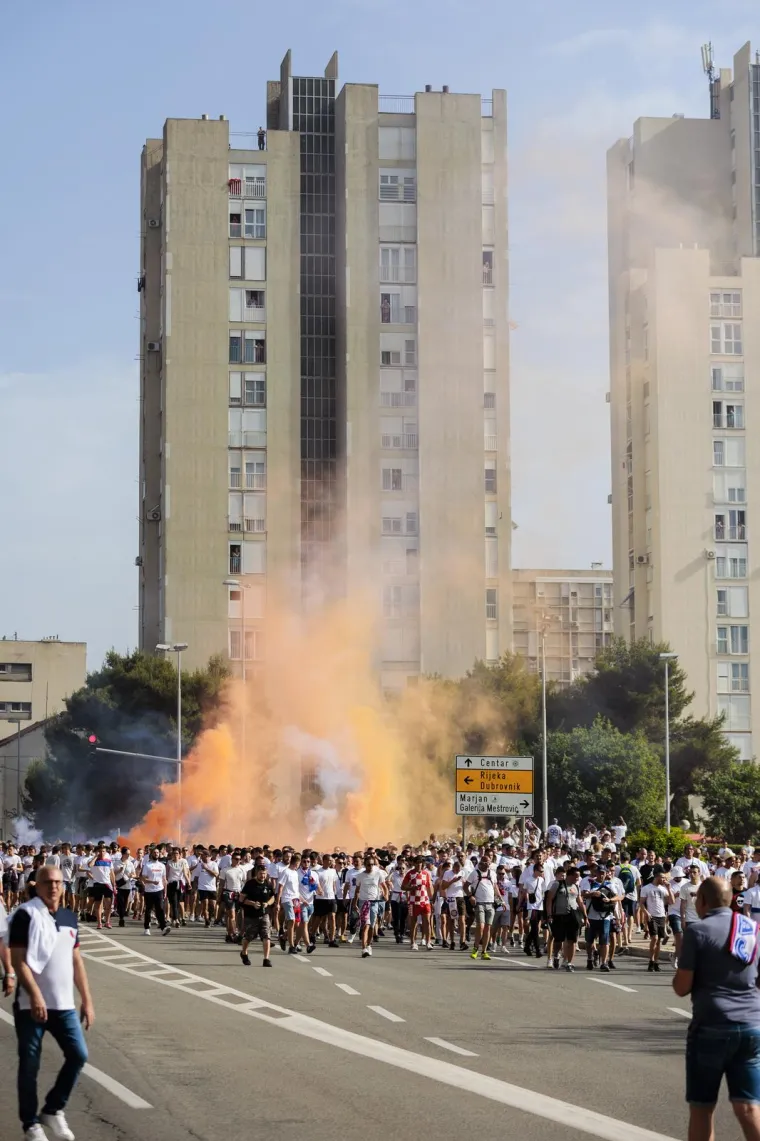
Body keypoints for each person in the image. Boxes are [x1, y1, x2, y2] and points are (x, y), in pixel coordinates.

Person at [9, 864, 94, 1141]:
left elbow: (76, 961)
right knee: (30, 1065)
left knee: (79, 1055)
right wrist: (34, 994)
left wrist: (87, 1001)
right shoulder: (26, 914)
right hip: (30, 1005)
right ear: (37, 884)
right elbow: (19, 960)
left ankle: (53, 1109)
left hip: (64, 1005)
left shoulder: (69, 917)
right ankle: (30, 1124)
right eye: (47, 882)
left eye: (58, 882)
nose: (54, 887)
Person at [674, 876, 760, 1141]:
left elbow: (682, 986)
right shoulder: (751, 928)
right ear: (731, 899)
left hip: (711, 1026)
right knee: (748, 1107)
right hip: (751, 1027)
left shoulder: (698, 931)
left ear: (701, 901)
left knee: (702, 1109)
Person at [546, 864, 586, 972]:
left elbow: (580, 902)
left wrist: (585, 916)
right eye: (576, 876)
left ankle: (569, 962)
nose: (577, 879)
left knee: (572, 940)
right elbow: (549, 900)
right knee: (558, 939)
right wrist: (549, 915)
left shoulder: (576, 887)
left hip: (572, 915)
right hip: (559, 915)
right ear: (570, 875)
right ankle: (556, 955)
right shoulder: (557, 885)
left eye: (578, 877)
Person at [238, 860, 275, 967]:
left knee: (266, 936)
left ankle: (266, 959)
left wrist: (268, 903)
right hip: (251, 915)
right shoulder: (250, 884)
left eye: (264, 874)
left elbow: (273, 897)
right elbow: (241, 899)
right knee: (249, 937)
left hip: (264, 914)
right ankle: (244, 953)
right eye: (260, 874)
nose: (263, 876)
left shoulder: (268, 884)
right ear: (256, 873)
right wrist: (252, 903)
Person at [353, 853, 388, 959]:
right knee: (365, 926)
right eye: (368, 865)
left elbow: (384, 886)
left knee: (372, 926)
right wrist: (355, 903)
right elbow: (357, 890)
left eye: (372, 864)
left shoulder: (378, 874)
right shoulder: (360, 876)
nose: (370, 867)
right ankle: (363, 949)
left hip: (374, 902)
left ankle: (369, 945)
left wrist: (386, 895)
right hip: (364, 902)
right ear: (365, 865)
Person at [640, 868, 674, 973]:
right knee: (654, 938)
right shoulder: (646, 888)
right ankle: (651, 960)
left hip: (662, 915)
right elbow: (641, 903)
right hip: (652, 916)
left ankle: (656, 961)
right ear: (657, 877)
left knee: (659, 940)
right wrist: (646, 913)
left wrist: (669, 888)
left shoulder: (664, 888)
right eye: (662, 877)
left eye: (665, 878)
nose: (664, 879)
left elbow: (671, 901)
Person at [139, 847, 170, 936]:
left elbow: (164, 879)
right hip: (149, 890)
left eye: (157, 852)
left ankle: (163, 927)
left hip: (159, 890)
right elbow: (143, 878)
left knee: (160, 909)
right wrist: (152, 882)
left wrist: (165, 891)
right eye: (154, 852)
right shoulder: (147, 865)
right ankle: (147, 928)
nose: (156, 854)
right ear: (151, 854)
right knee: (148, 909)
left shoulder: (162, 865)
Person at [85, 842, 116, 930]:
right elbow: (89, 866)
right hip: (97, 884)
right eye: (100, 851)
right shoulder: (92, 860)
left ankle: (107, 921)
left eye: (103, 851)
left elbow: (112, 873)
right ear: (97, 852)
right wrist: (95, 856)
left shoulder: (108, 860)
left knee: (108, 905)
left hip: (107, 884)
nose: (102, 853)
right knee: (98, 904)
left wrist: (114, 885)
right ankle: (99, 923)